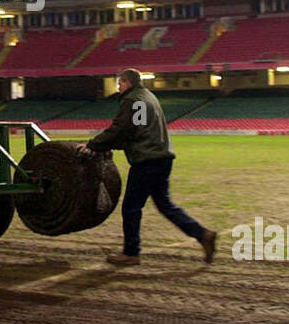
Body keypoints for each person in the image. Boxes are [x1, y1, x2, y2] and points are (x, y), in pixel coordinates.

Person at [81, 68, 216, 266]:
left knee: (131, 207)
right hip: (162, 158)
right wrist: (110, 146)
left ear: (127, 82)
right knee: (165, 205)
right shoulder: (148, 97)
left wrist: (94, 145)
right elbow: (136, 131)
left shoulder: (133, 100)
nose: (118, 88)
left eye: (119, 84)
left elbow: (123, 129)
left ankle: (131, 252)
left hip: (147, 161)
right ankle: (203, 235)